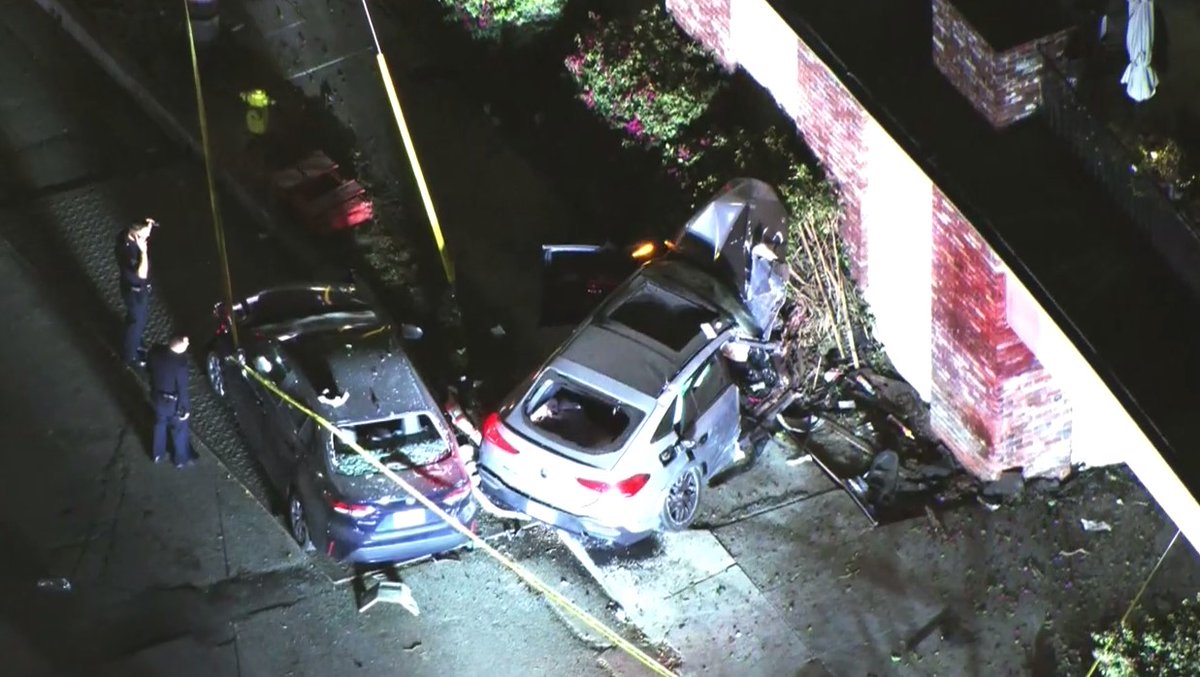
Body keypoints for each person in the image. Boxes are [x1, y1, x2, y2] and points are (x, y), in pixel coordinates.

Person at [147, 335, 194, 468]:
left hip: (157, 397)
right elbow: (182, 389)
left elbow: (149, 368)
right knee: (179, 429)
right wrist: (185, 409)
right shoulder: (181, 365)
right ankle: (180, 460)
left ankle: (158, 454)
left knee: (160, 424)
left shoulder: (156, 351)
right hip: (173, 403)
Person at [115, 218, 156, 367]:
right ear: (133, 234)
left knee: (136, 319)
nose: (147, 238)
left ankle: (135, 340)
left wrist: (148, 226)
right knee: (137, 322)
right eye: (144, 235)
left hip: (136, 290)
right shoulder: (127, 252)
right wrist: (143, 253)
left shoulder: (127, 234)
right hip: (135, 292)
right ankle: (129, 354)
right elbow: (141, 274)